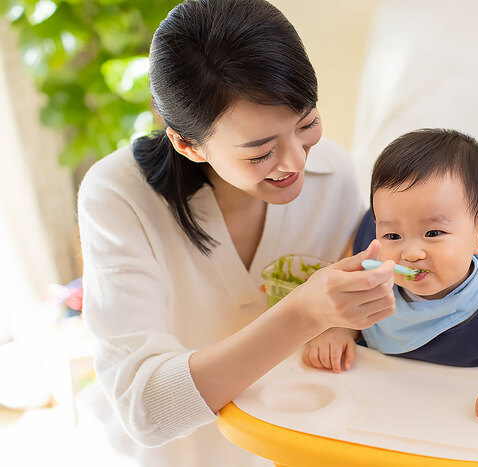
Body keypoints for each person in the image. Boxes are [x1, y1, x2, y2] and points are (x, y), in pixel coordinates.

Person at [76, 1, 396, 465]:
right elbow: (145, 409)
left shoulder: (336, 174)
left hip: (296, 442)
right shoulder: (119, 197)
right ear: (187, 144)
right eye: (260, 152)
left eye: (306, 123)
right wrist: (303, 312)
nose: (296, 162)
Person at [303, 128, 478, 428]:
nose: (411, 252)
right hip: (380, 425)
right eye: (392, 235)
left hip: (468, 434)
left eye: (433, 233)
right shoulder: (373, 285)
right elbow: (341, 314)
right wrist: (338, 331)